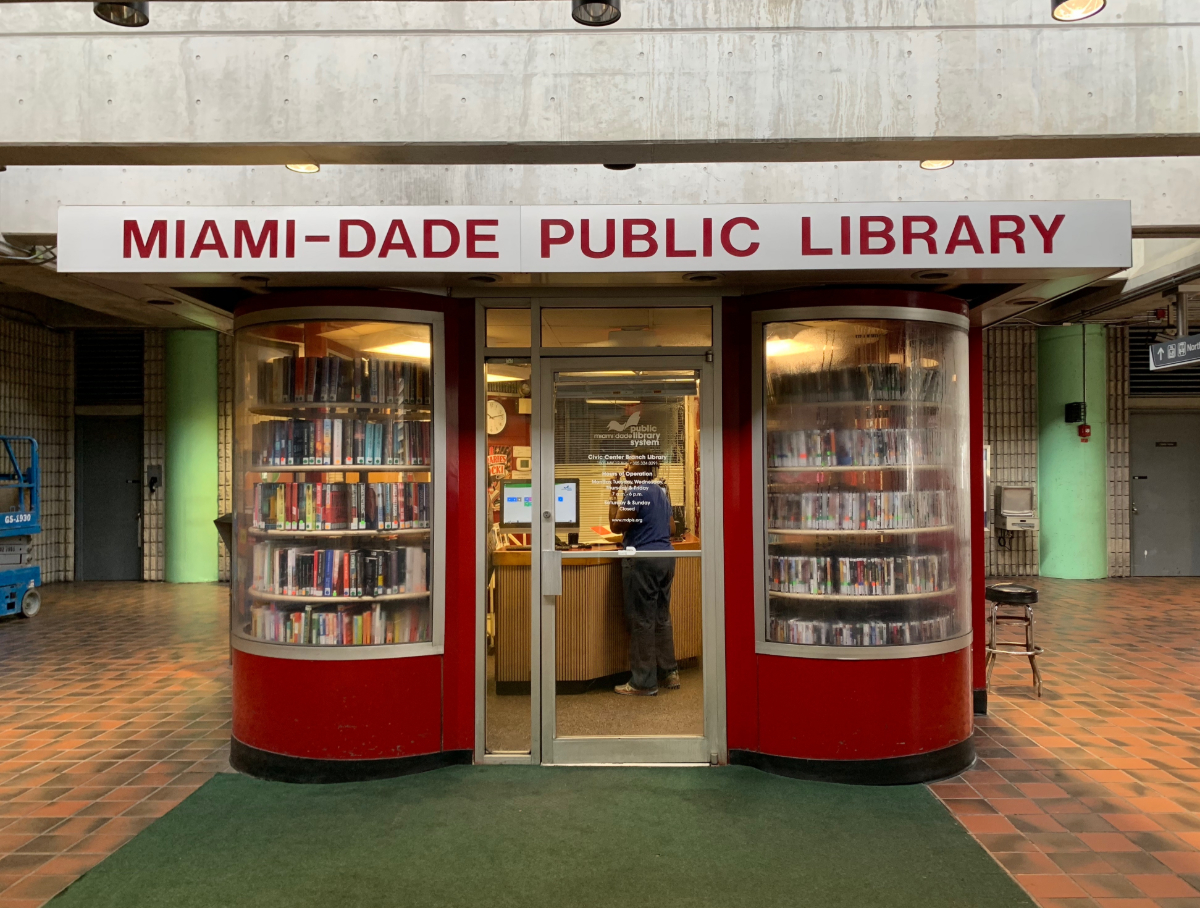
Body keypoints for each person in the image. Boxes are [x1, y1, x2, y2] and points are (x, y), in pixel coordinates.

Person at [608, 450, 678, 696]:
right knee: (661, 617)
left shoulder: (636, 492)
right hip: (666, 559)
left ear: (644, 468)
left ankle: (643, 682)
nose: (626, 467)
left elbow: (616, 526)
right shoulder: (659, 491)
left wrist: (613, 494)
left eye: (630, 462)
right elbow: (671, 528)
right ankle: (669, 673)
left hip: (643, 561)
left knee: (641, 620)